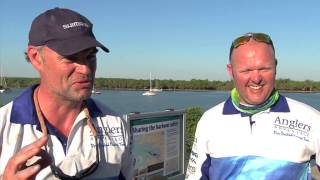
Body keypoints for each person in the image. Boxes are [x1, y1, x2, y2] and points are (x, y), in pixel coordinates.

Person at [0, 7, 132, 179]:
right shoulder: (4, 127)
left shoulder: (115, 124)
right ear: (35, 57)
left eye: (90, 56)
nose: (85, 69)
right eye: (70, 57)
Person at [186, 32, 320, 179]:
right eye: (246, 70)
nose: (256, 78)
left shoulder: (312, 119)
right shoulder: (209, 120)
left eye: (264, 69)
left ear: (275, 67)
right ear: (231, 71)